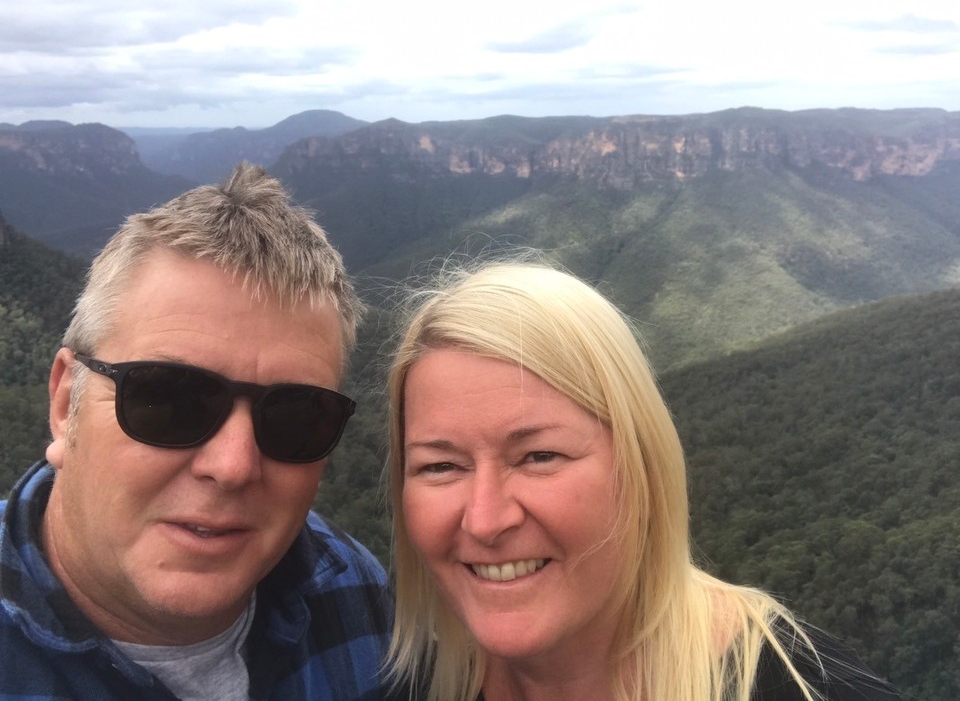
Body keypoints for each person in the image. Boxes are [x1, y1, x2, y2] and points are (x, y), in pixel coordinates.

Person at [385, 261, 902, 701]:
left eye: (539, 455)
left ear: (642, 467)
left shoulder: (811, 687)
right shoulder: (414, 682)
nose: (485, 519)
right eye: (440, 466)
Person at [0, 164, 393, 700]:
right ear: (67, 403)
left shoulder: (354, 593)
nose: (232, 466)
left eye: (295, 416)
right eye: (169, 400)